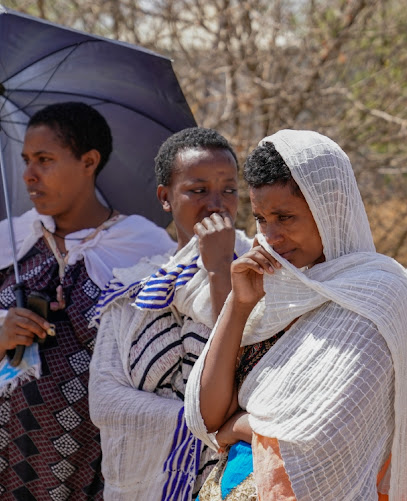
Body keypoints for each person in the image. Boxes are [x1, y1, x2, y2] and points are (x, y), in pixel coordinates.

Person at [0, 102, 174, 500]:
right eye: (27, 160)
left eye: (45, 160)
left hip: (107, 459)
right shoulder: (10, 242)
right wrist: (0, 339)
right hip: (16, 456)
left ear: (89, 161)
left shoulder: (143, 246)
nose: (29, 175)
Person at [185, 130, 407, 500]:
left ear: (329, 208)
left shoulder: (380, 298)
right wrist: (238, 307)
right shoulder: (273, 291)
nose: (272, 236)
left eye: (285, 217)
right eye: (262, 219)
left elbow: (324, 442)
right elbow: (207, 414)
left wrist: (237, 427)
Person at [88, 127, 253, 500]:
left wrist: (219, 270)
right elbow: (105, 395)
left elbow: (248, 368)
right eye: (198, 190)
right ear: (165, 197)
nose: (217, 203)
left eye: (228, 189)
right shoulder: (133, 288)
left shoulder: (260, 269)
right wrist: (197, 424)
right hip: (144, 486)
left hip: (230, 482)